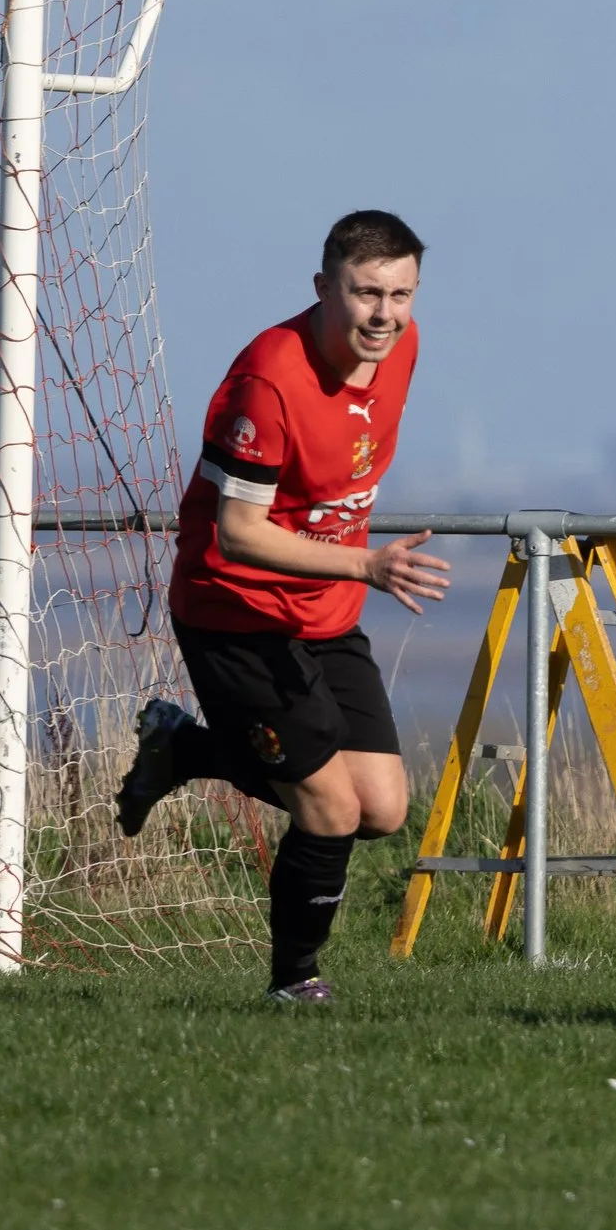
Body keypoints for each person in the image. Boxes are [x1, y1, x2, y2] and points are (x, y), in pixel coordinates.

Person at [113, 210, 451, 1002]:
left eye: (401, 294)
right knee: (329, 808)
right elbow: (238, 535)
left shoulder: (403, 347)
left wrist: (350, 573)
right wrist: (366, 563)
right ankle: (294, 985)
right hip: (236, 614)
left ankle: (185, 751)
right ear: (323, 288)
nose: (385, 314)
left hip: (326, 611)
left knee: (384, 809)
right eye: (367, 292)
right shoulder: (268, 380)